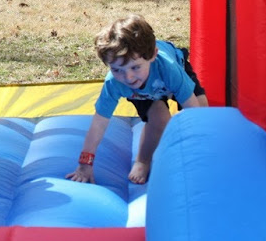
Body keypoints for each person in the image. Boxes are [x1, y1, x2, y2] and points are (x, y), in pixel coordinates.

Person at [66, 14, 208, 185]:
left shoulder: (169, 69)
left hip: (172, 73)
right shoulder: (116, 83)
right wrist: (85, 164)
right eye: (117, 69)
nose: (128, 77)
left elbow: (193, 111)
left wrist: (199, 151)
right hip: (143, 92)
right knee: (160, 119)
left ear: (152, 55)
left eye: (135, 67)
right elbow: (99, 124)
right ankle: (142, 161)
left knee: (202, 108)